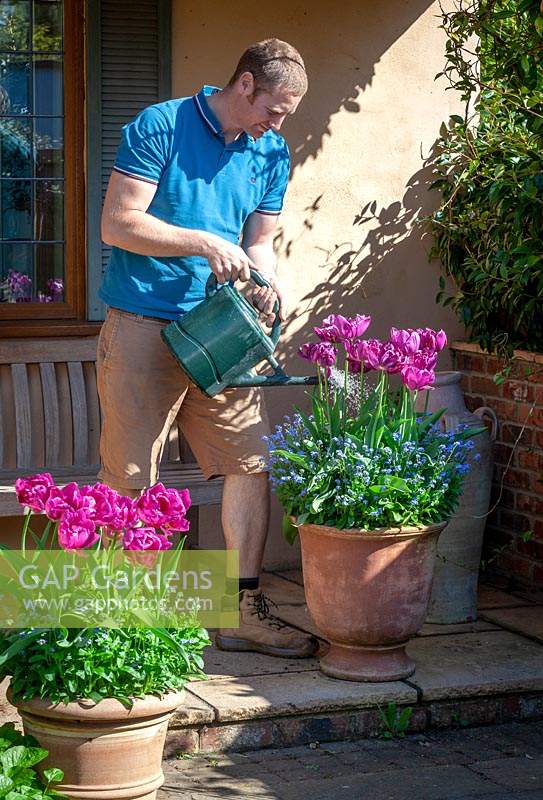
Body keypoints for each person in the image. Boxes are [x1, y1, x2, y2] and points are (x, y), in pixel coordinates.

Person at [97, 38, 318, 658]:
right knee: (132, 477)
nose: (277, 125)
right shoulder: (160, 125)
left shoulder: (270, 151)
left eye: (286, 116)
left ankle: (241, 612)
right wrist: (199, 242)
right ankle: (130, 627)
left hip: (224, 330)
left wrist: (269, 284)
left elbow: (261, 241)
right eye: (273, 109)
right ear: (244, 83)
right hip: (144, 324)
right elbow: (119, 221)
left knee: (251, 464)